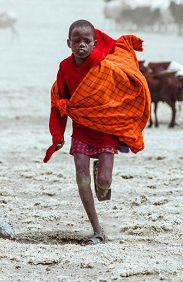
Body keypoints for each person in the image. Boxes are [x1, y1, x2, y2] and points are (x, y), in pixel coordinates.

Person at [44, 19, 151, 245]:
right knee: (81, 180)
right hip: (81, 130)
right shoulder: (64, 67)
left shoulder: (106, 67)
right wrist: (58, 135)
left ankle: (100, 175)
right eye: (76, 41)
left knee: (103, 182)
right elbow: (59, 100)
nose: (81, 45)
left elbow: (123, 92)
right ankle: (97, 230)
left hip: (105, 130)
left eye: (86, 41)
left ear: (94, 44)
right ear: (68, 43)